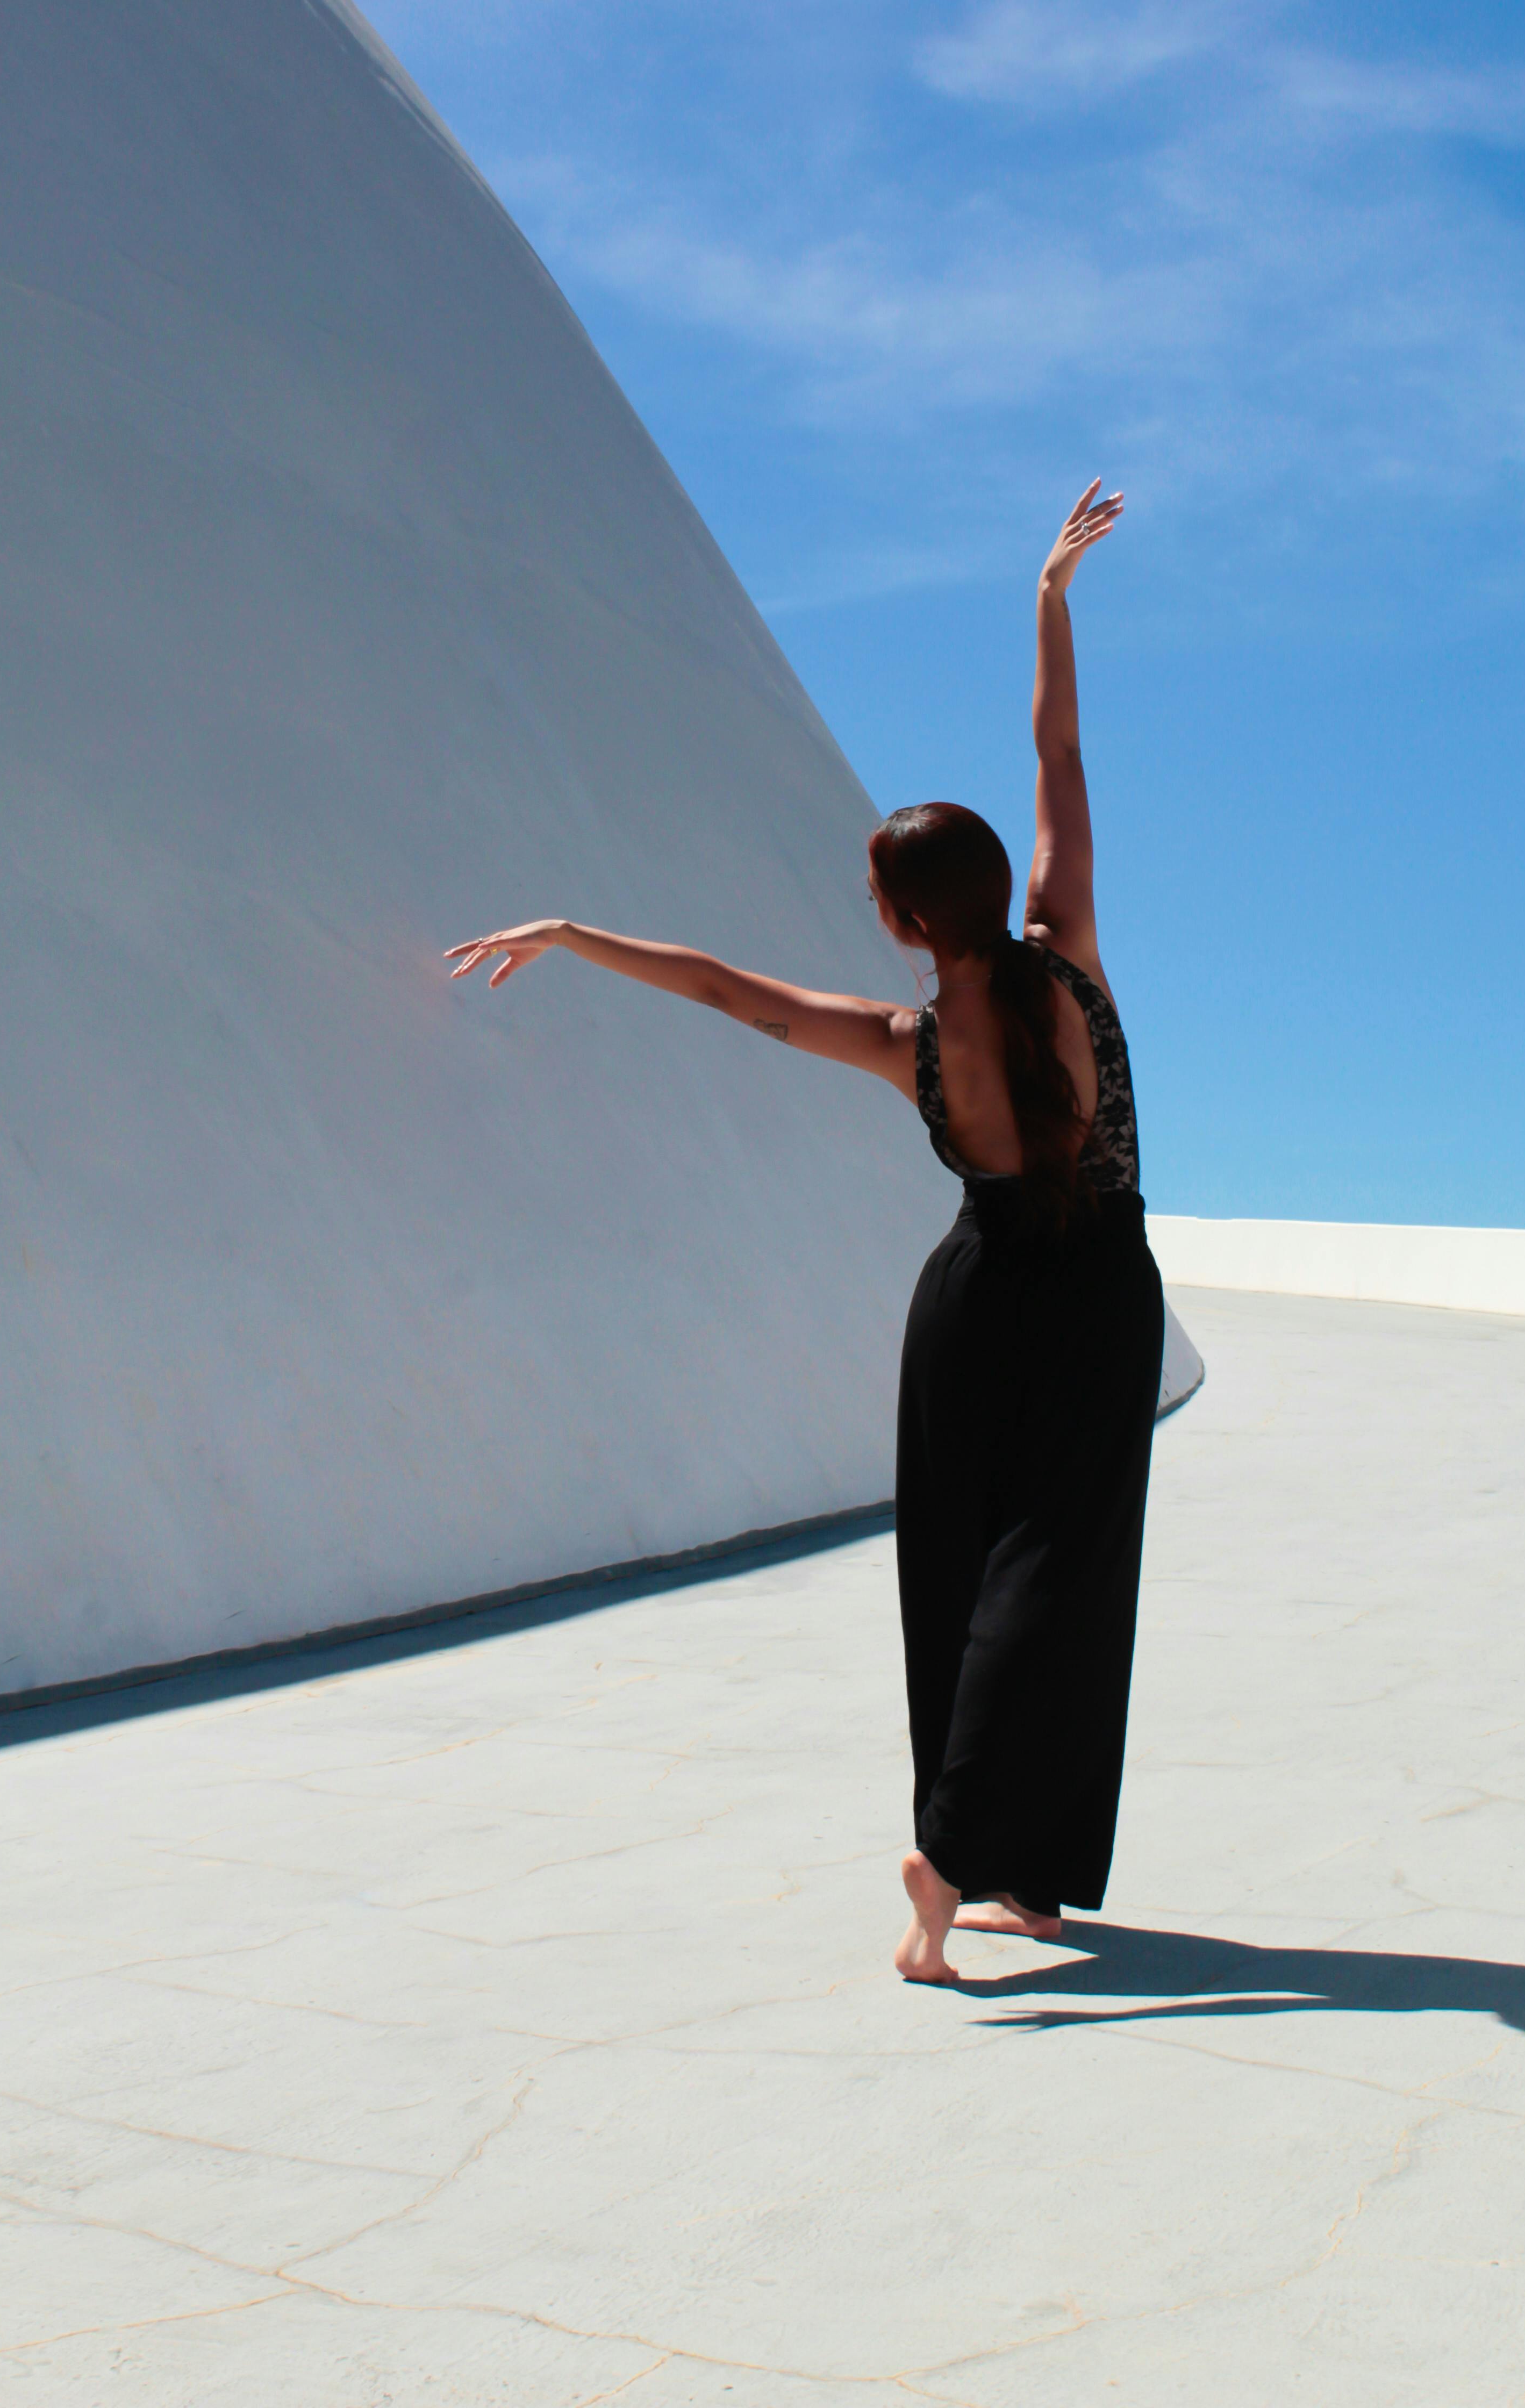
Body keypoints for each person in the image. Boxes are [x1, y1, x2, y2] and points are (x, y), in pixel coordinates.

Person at [446, 481, 1164, 1985]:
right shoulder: (1069, 953)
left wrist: (571, 931)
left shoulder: (905, 1040)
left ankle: (990, 1870)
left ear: (904, 922)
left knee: (959, 1570)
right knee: (1065, 1571)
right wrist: (1049, 600)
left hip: (973, 1300)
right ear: (992, 891)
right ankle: (975, 1861)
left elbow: (728, 991)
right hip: (1099, 1290)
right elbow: (1059, 758)